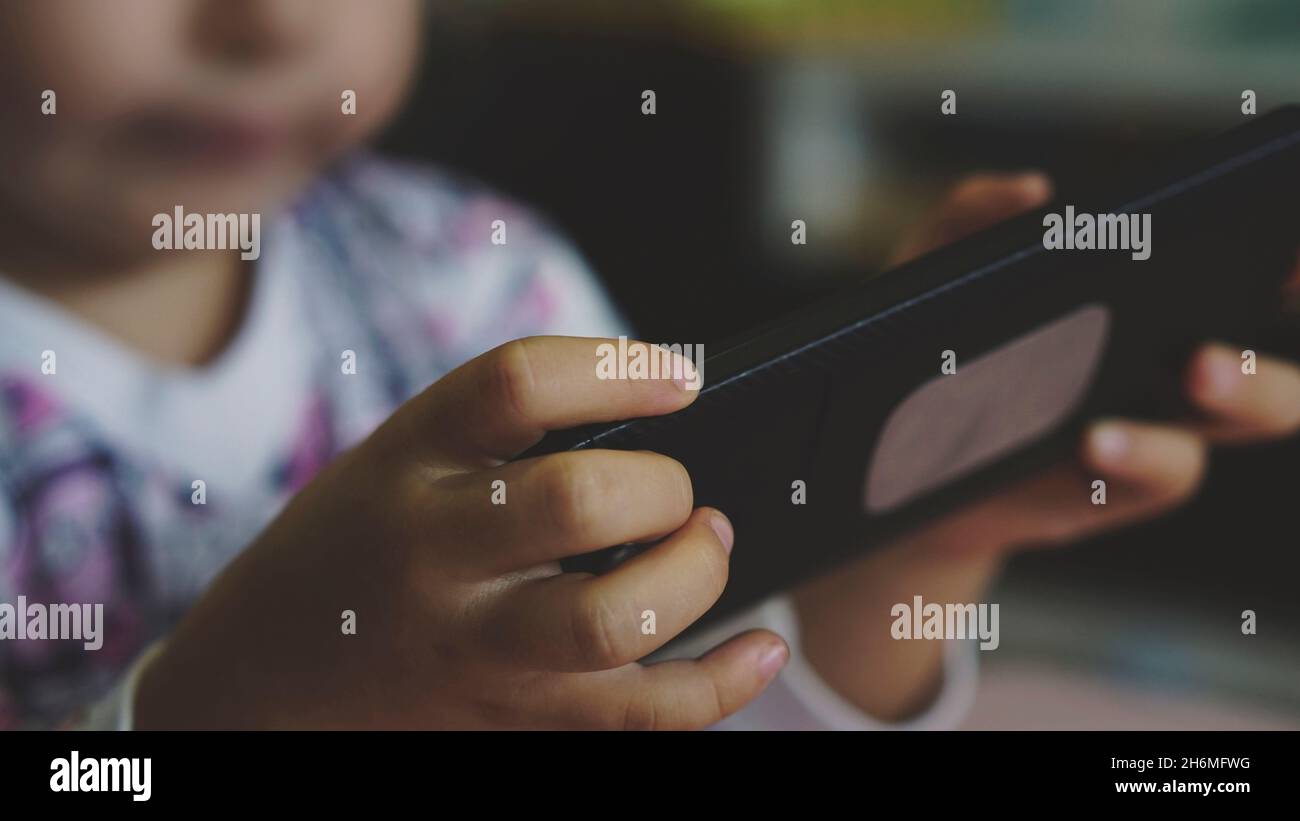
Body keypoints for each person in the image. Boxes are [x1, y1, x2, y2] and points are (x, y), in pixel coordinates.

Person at [1, 0, 1297, 729]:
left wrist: (904, 543)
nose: (273, 21)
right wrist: (227, 711)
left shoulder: (483, 278)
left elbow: (694, 700)